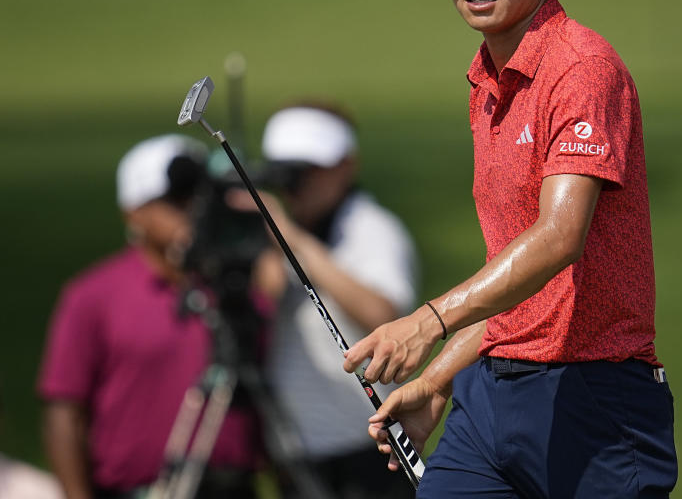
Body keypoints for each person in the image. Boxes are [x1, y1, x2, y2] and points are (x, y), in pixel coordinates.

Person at [341, 0, 678, 498]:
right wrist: (438, 382)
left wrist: (427, 323)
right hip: (490, 393)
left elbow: (557, 240)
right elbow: (512, 273)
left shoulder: (581, 67)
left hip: (595, 400)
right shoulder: (487, 80)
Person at [36, 135, 262, 499]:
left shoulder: (236, 284)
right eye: (176, 200)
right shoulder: (93, 296)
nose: (193, 210)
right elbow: (64, 413)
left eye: (202, 197)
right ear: (133, 212)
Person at [246, 103, 417, 498]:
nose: (298, 186)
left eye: (310, 171)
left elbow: (383, 315)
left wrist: (291, 239)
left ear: (346, 165)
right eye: (289, 173)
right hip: (298, 451)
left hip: (367, 450)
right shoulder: (282, 239)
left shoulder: (373, 230)